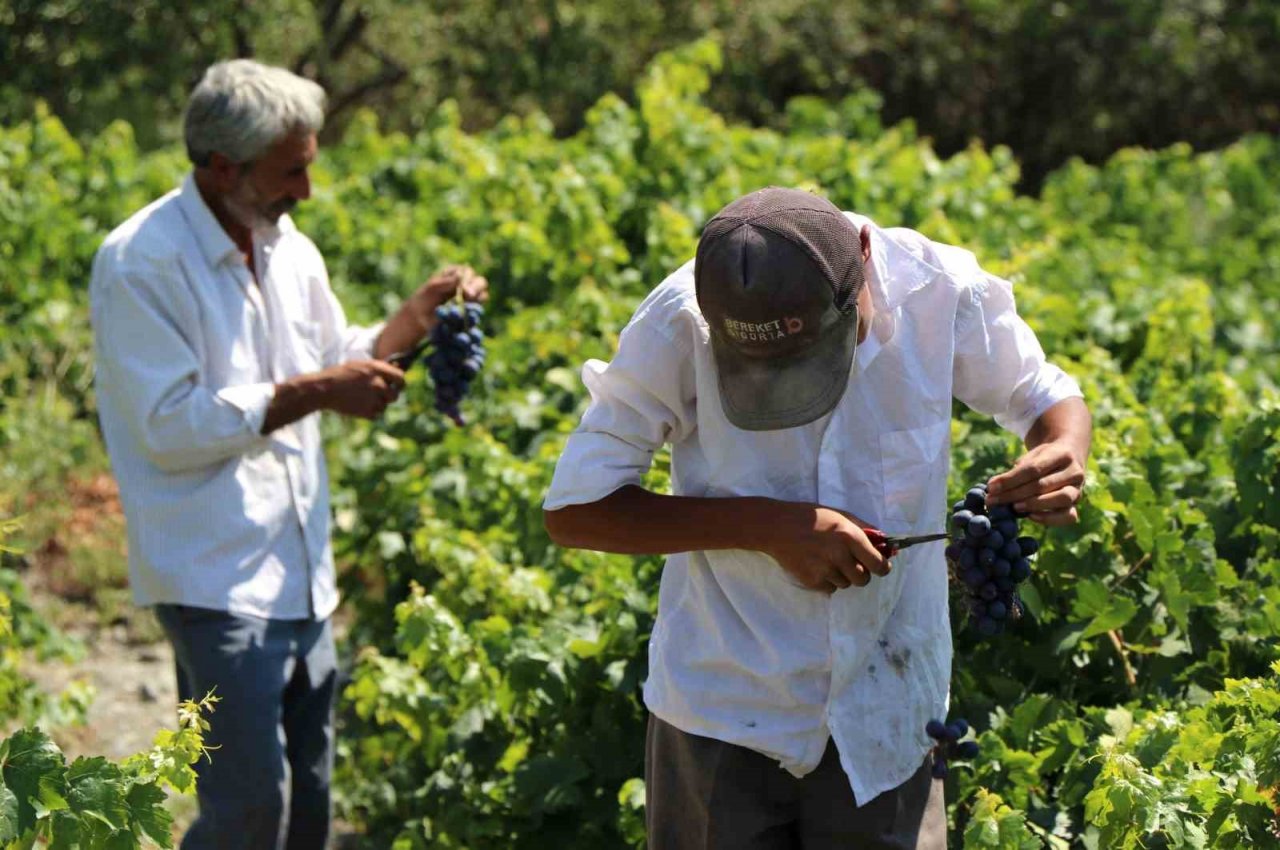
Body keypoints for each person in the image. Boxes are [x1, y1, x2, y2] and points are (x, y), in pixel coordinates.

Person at [542, 187, 1090, 849]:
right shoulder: (680, 319)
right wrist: (769, 529)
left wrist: (1061, 449)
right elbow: (576, 510)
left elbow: (1045, 396)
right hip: (722, 711)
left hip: (888, 713)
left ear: (863, 256)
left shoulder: (940, 293)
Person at [89, 59, 488, 849]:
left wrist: (413, 318)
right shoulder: (141, 262)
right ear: (221, 166)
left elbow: (335, 356)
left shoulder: (287, 246)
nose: (305, 191)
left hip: (302, 567)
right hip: (215, 574)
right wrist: (316, 391)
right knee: (246, 809)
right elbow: (167, 426)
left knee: (309, 797)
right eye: (291, 173)